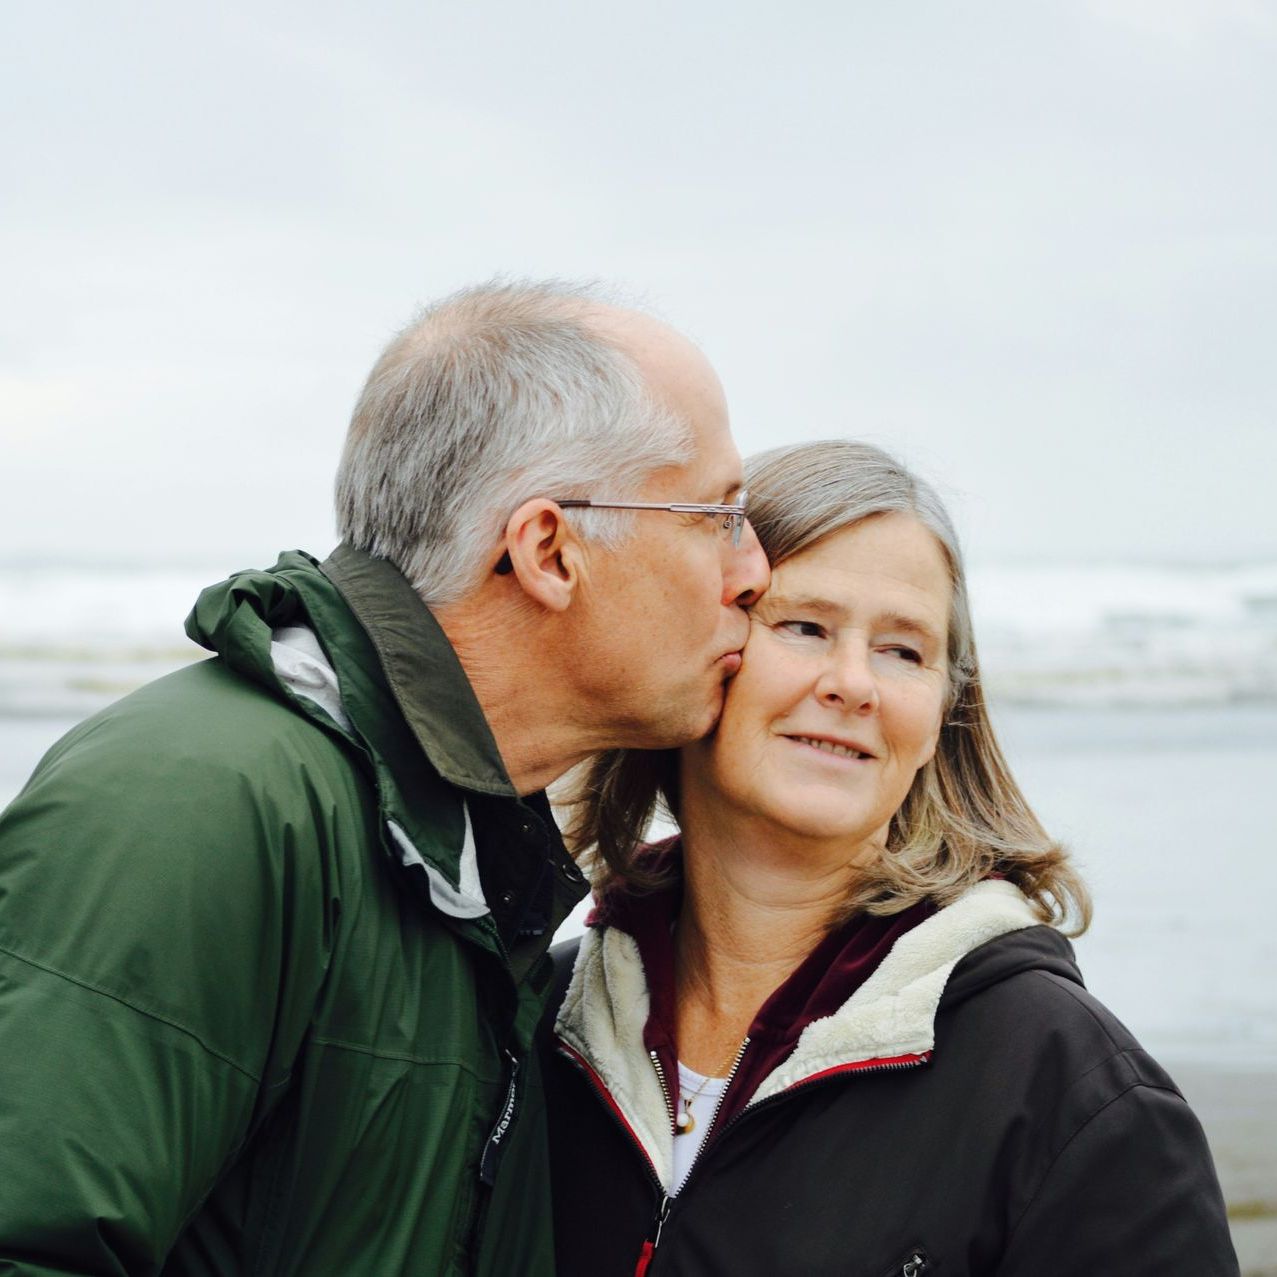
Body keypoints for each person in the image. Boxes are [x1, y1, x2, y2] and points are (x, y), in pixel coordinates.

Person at [0, 281, 769, 1276]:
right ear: (548, 550)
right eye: (715, 514)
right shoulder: (202, 801)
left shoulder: (467, 855)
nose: (752, 570)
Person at [544, 439, 1238, 1276]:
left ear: (945, 709)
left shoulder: (1071, 1091)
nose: (852, 682)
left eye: (903, 649)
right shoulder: (539, 1021)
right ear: (704, 644)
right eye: (803, 626)